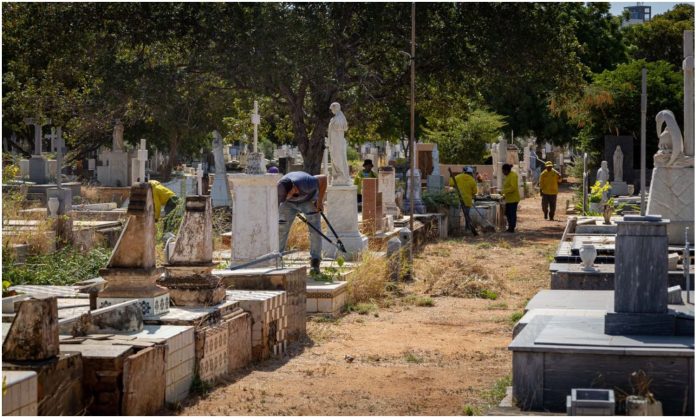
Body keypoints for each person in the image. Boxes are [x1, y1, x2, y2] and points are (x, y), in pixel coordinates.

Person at [277, 171, 323, 274]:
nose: (286, 196)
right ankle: (277, 258)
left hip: (308, 200)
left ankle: (315, 261)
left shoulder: (305, 183)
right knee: (281, 228)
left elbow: (323, 178)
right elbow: (277, 203)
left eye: (287, 194)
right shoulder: (280, 188)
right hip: (288, 205)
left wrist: (320, 201)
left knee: (315, 230)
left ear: (294, 188)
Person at [449, 166, 479, 236]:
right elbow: (475, 192)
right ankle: (467, 228)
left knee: (456, 215)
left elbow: (451, 183)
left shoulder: (458, 177)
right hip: (467, 200)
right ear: (471, 173)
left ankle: (455, 228)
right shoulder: (472, 180)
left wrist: (454, 184)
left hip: (458, 199)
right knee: (467, 215)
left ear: (464, 171)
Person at [501, 164, 520, 233]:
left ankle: (512, 227)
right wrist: (504, 194)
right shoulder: (508, 176)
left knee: (512, 213)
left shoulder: (513, 176)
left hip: (513, 199)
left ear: (506, 170)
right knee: (508, 213)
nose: (503, 173)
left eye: (503, 171)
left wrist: (503, 191)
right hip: (508, 199)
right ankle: (510, 227)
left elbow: (513, 188)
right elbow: (507, 186)